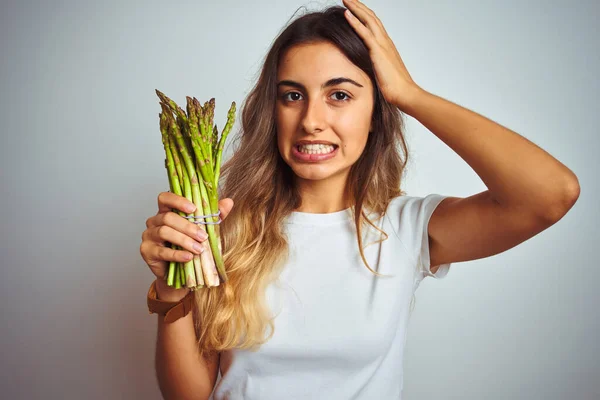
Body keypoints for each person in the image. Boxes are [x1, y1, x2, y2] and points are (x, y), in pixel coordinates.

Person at [139, 1, 580, 399]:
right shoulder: (221, 225)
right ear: (271, 112)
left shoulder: (408, 228)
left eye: (340, 95)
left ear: (376, 114)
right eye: (292, 96)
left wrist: (410, 94)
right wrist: (171, 288)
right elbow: (188, 397)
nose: (311, 120)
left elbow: (550, 194)